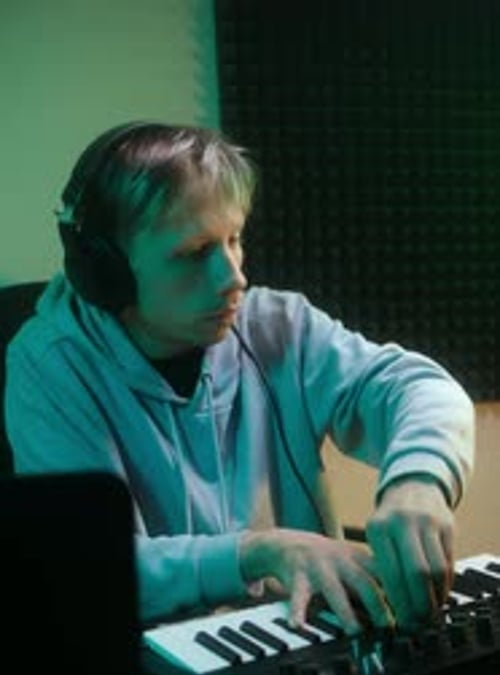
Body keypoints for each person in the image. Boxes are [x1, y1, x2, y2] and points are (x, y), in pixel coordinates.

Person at [5, 120, 475, 633]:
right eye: (193, 253)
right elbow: (90, 564)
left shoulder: (277, 327)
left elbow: (421, 388)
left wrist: (418, 480)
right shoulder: (49, 366)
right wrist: (257, 552)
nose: (234, 277)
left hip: (302, 641)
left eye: (234, 239)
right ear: (105, 271)